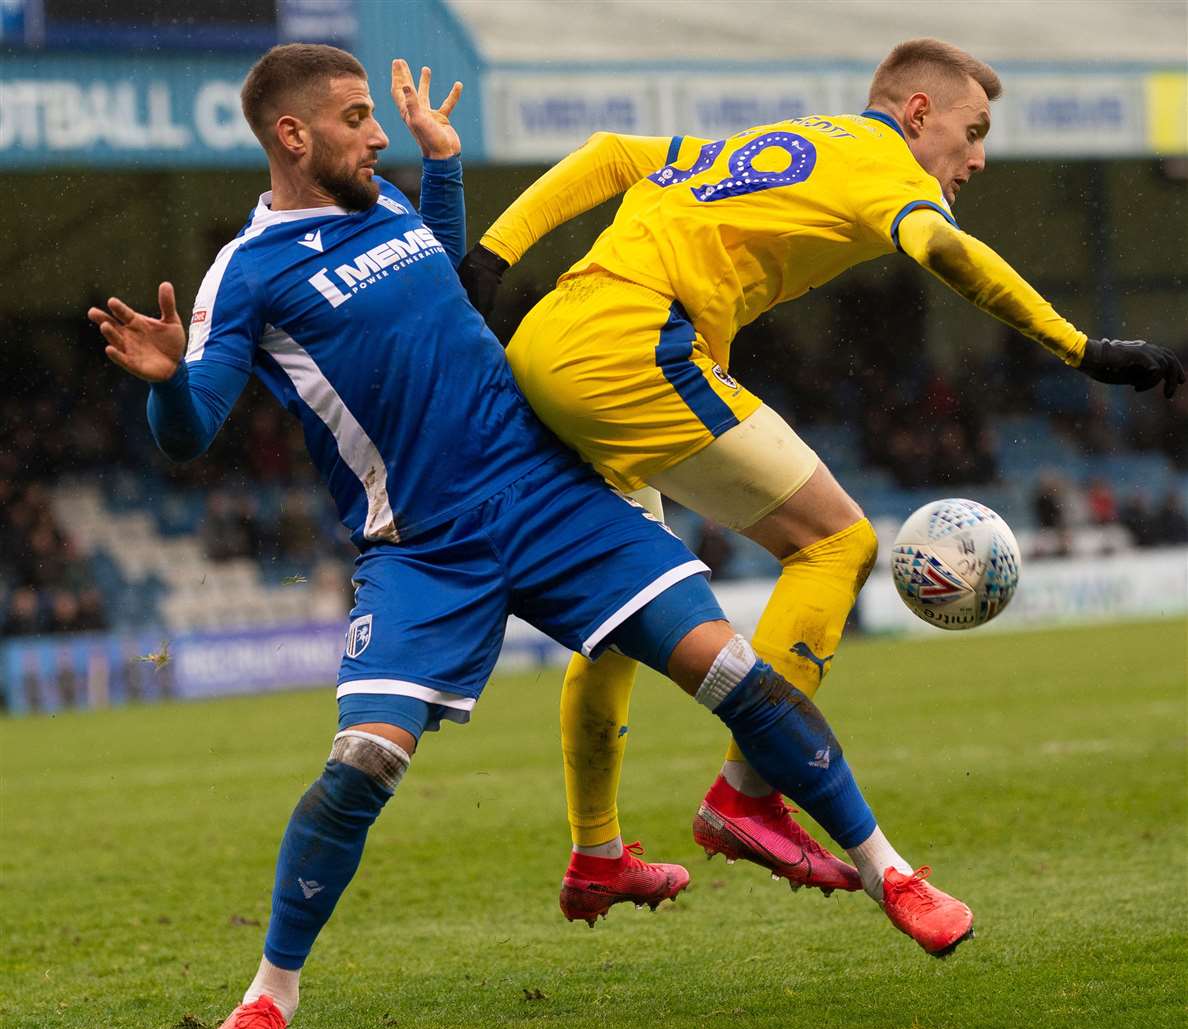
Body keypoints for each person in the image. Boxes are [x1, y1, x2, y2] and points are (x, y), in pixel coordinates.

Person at [87, 44, 969, 1029]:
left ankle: (891, 873)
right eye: (356, 117)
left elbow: (451, 286)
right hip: (424, 548)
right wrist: (160, 381)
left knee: (732, 672)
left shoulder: (391, 206)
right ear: (293, 135)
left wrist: (445, 166)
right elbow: (191, 430)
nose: (378, 134)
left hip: (551, 497)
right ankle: (267, 996)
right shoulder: (248, 270)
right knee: (363, 763)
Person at [458, 38, 1185, 920]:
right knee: (837, 540)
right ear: (917, 114)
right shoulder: (885, 167)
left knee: (615, 621)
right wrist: (1081, 347)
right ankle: (746, 794)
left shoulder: (779, 144)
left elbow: (612, 154)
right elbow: (948, 254)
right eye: (973, 130)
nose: (980, 157)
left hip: (549, 341)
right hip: (635, 352)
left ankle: (596, 851)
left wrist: (493, 256)